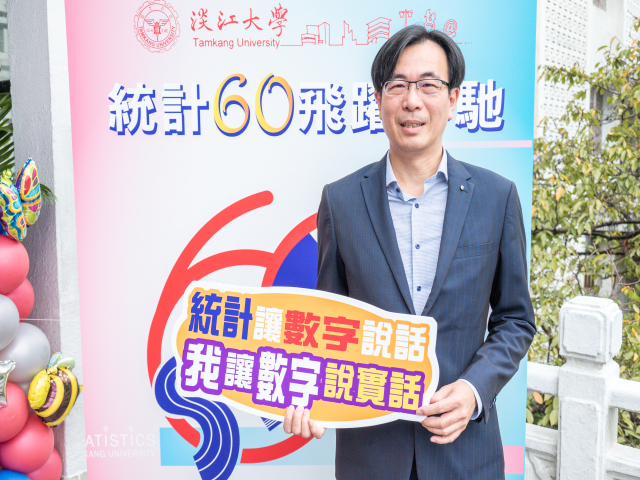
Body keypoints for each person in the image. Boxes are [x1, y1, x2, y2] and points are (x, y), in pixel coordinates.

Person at [283, 25, 535, 480]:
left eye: (428, 85)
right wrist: (306, 394)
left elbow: (516, 320)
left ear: (453, 99)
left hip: (466, 455)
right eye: (397, 85)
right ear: (379, 99)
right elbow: (325, 325)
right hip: (370, 456)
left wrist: (474, 390)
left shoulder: (497, 198)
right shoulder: (340, 201)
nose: (412, 101)